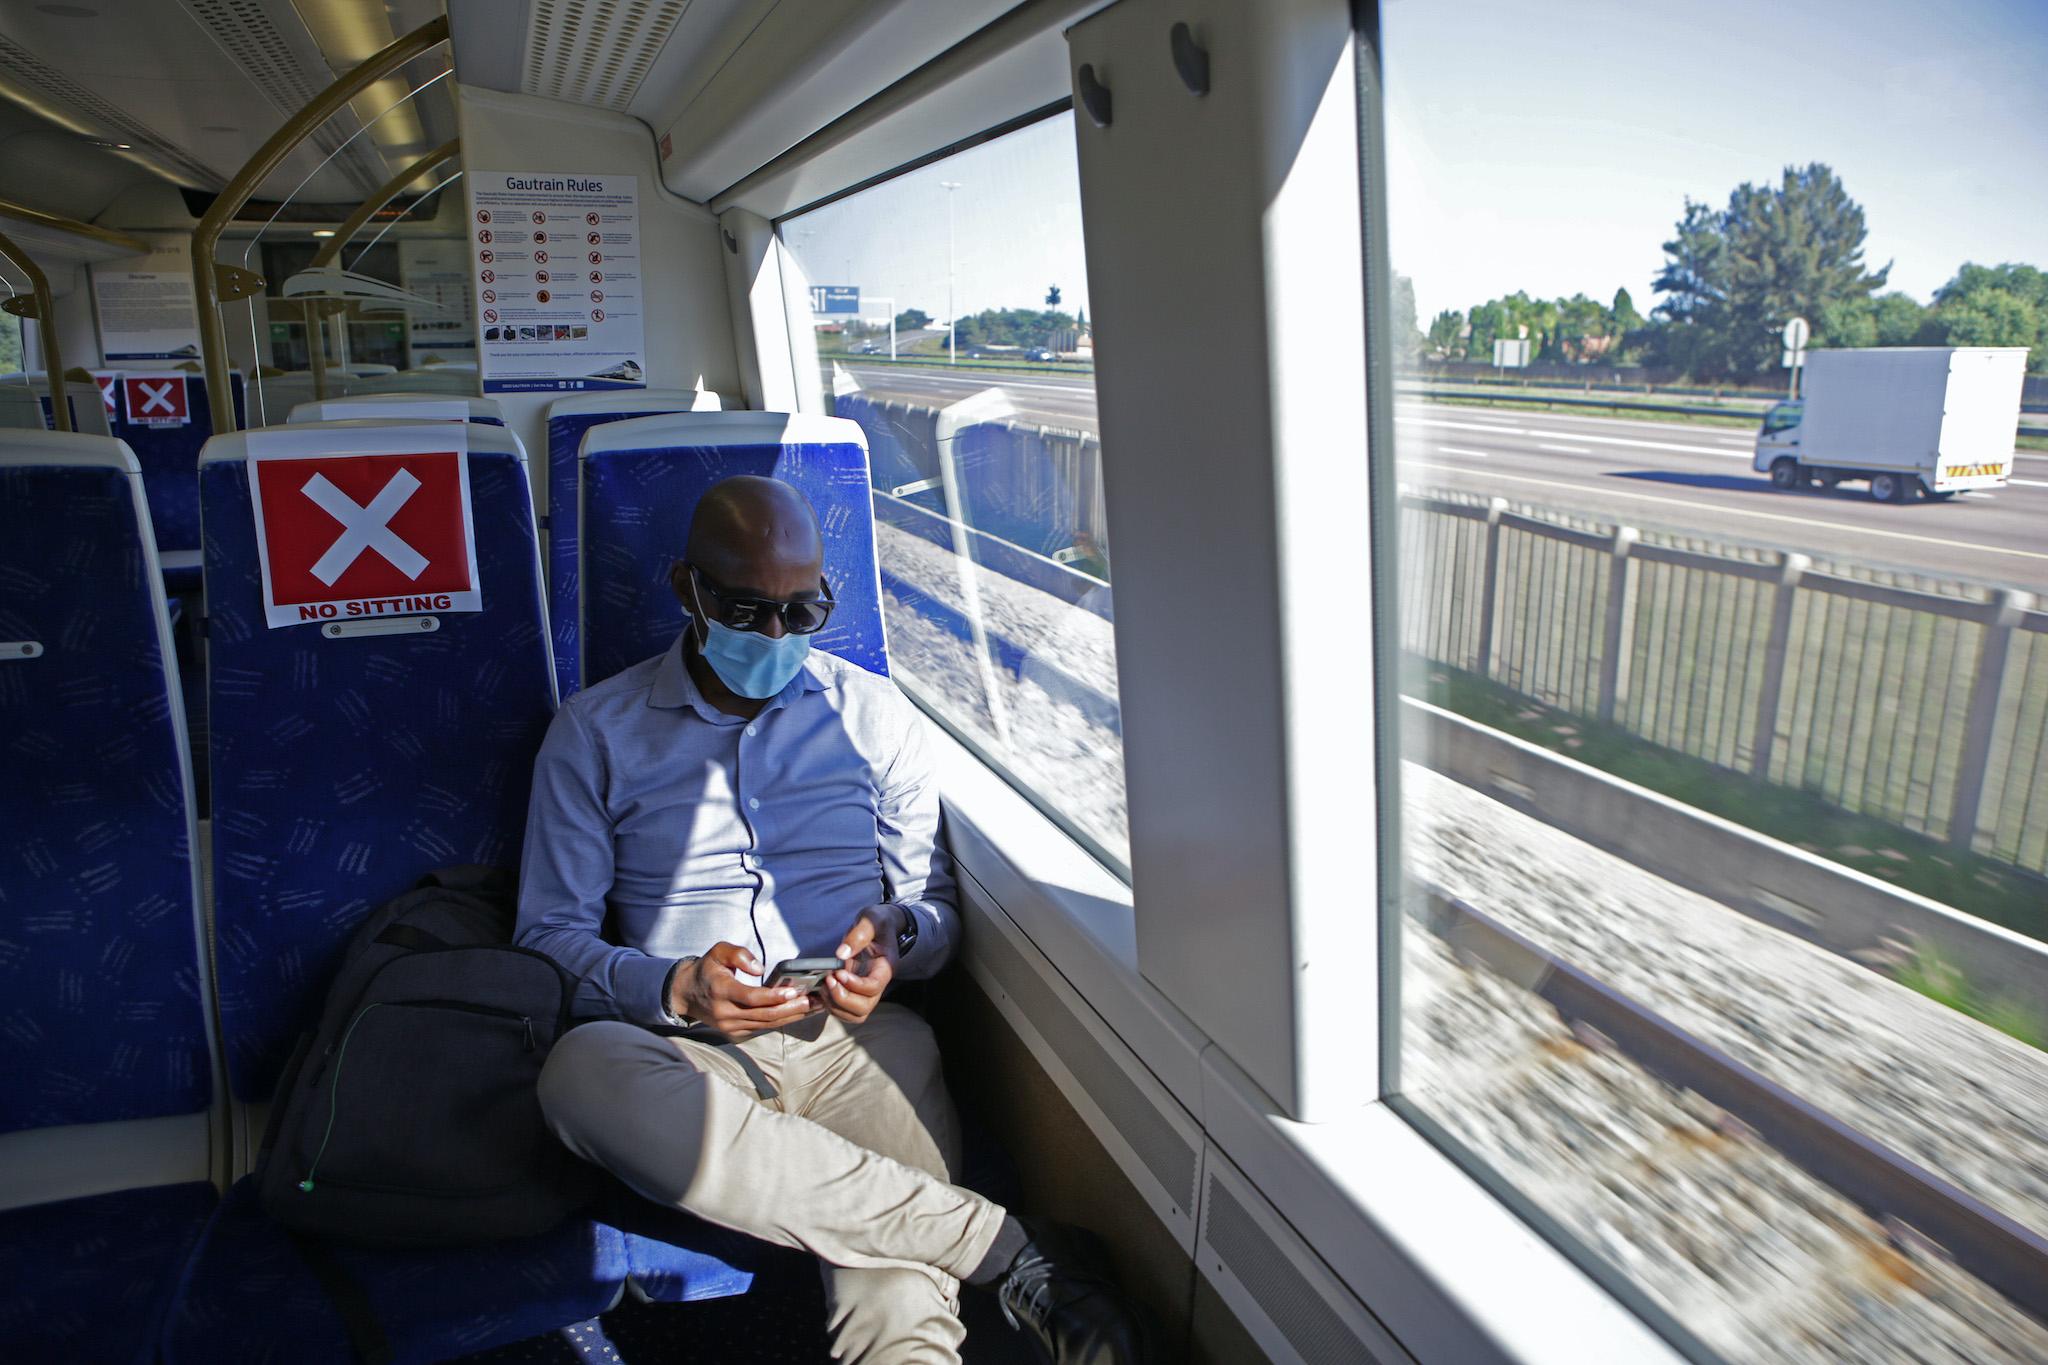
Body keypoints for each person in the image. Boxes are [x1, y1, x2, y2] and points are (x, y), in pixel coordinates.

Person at [518, 475, 1148, 1365]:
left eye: (802, 609)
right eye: (747, 608)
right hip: (683, 1051)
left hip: (860, 1044)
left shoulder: (875, 719)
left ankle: (941, 1267)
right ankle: (1002, 1247)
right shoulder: (593, 734)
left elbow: (934, 911)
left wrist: (900, 941)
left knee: (891, 1278)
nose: (777, 634)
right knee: (578, 1073)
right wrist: (673, 987)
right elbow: (547, 937)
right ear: (686, 589)